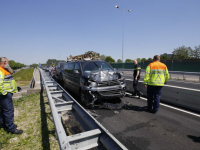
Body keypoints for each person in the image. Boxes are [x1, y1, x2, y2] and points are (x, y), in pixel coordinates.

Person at [0, 57, 23, 134]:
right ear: (4, 62)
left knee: (4, 110)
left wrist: (16, 88)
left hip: (6, 93)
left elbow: (7, 82)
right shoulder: (1, 70)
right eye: (8, 62)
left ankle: (4, 125)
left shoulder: (4, 70)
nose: (8, 64)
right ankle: (11, 128)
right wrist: (4, 93)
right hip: (5, 95)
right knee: (8, 111)